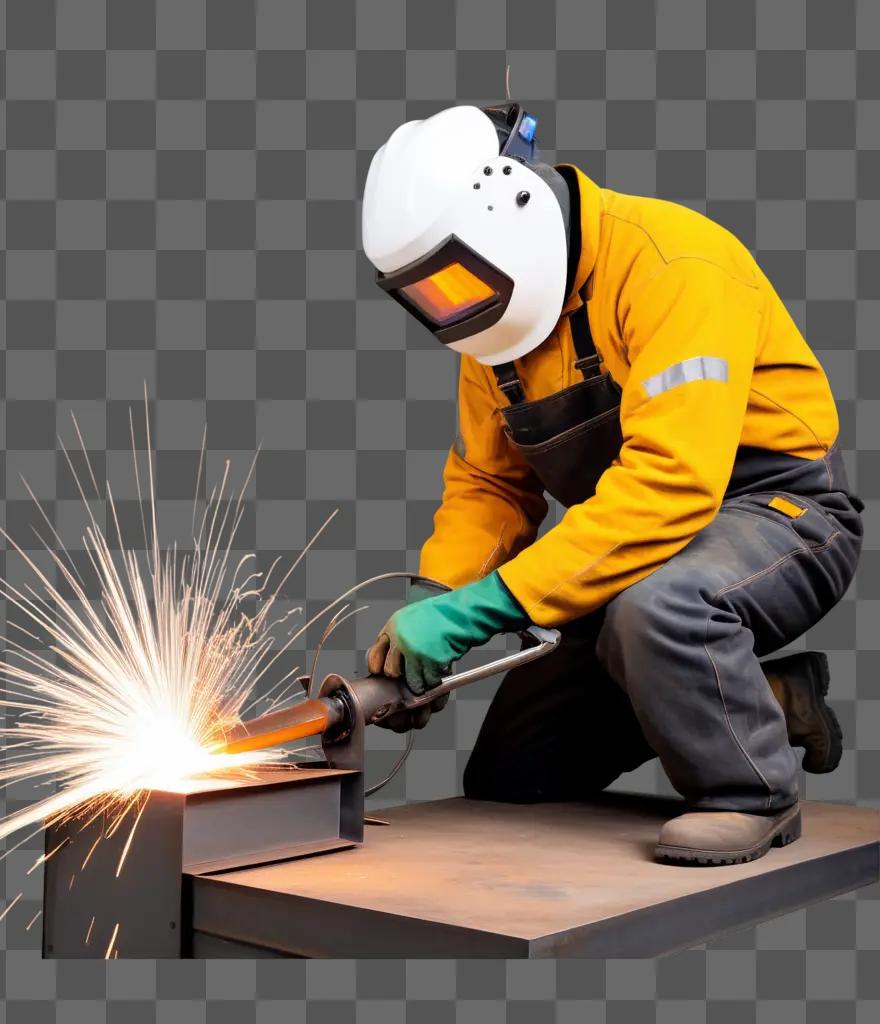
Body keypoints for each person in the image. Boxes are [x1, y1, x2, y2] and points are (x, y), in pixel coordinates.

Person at [359, 103, 863, 865]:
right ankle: (760, 698)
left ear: (511, 210)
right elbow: (490, 486)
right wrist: (440, 599)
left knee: (657, 611)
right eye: (428, 296)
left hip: (778, 512)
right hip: (632, 541)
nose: (449, 307)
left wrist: (490, 606)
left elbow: (675, 483)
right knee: (513, 774)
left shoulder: (674, 264)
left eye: (454, 282)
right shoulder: (494, 326)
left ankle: (752, 790)